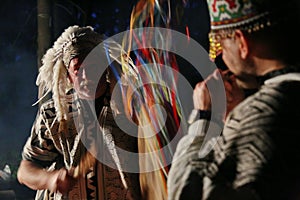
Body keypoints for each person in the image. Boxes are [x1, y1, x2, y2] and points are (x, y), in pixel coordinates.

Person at [168, 0, 300, 199]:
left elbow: (189, 193)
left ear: (241, 42)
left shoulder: (264, 113)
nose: (218, 57)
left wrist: (205, 118)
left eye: (220, 43)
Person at [17, 25, 141, 200]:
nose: (86, 76)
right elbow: (25, 171)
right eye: (78, 70)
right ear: (68, 76)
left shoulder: (130, 106)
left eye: (93, 67)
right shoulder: (54, 113)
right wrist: (50, 179)